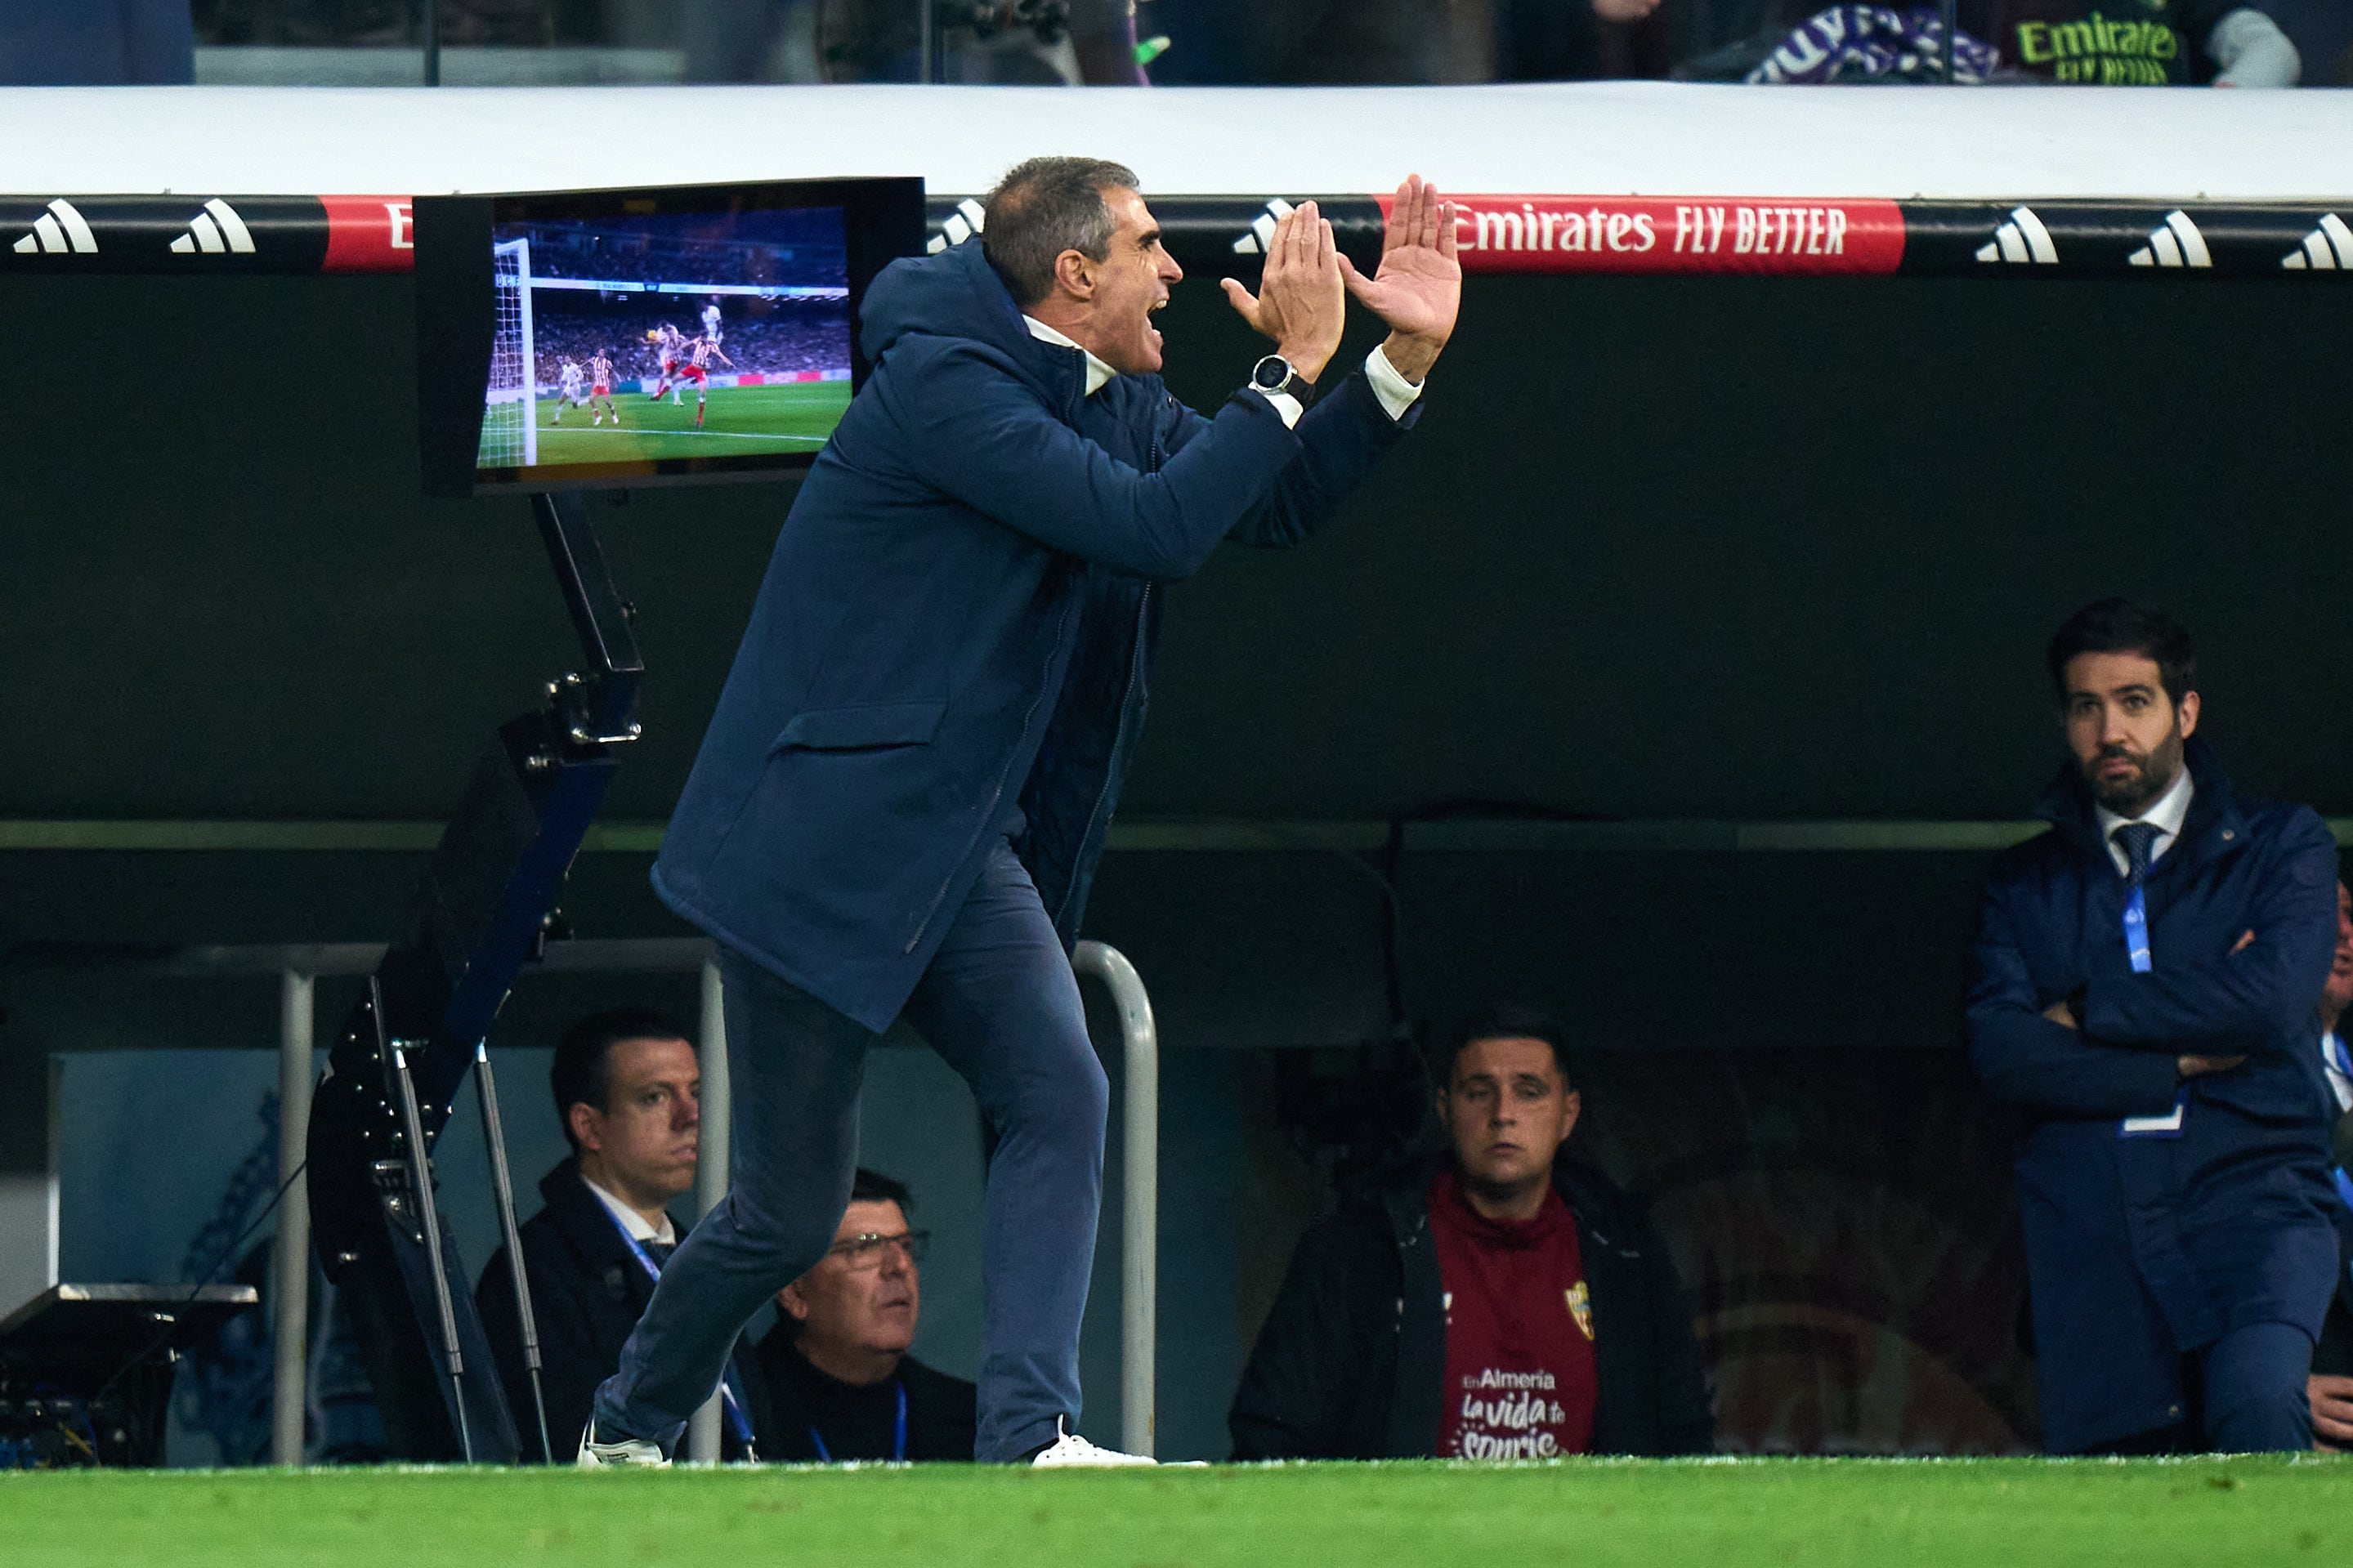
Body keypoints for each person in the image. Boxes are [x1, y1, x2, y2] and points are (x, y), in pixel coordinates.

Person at [584, 157, 1460, 1468]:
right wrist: (1287, 370)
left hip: (954, 841)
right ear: (1074, 273)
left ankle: (1027, 1436)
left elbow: (1256, 501)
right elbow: (1156, 528)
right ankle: (626, 1428)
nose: (1174, 270)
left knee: (1059, 1084)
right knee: (786, 1207)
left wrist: (1395, 359)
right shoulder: (946, 382)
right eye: (1150, 247)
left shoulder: (1117, 393)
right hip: (816, 846)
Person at [1966, 598, 2341, 1454]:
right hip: (2091, 1221)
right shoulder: (2021, 883)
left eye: (2134, 700)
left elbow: (2270, 1000)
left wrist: (2089, 1010)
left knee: (2258, 1409)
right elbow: (1999, 1052)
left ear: (2185, 710)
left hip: (2251, 1198)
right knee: (2119, 1486)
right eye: (2085, 705)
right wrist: (2168, 1058)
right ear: (2062, 718)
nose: (2110, 729)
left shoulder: (2280, 843)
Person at [1229, 1006, 1713, 1459]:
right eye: (1479, 1092)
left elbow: (1684, 1442)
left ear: (1568, 1114)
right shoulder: (1358, 1252)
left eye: (1529, 1090)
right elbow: (1270, 1440)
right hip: (1404, 1547)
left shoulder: (1626, 1255)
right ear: (1445, 1110)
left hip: (1584, 1547)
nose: (1502, 1114)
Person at [476, 1008, 767, 1463]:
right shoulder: (529, 1273)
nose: (691, 1115)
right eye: (655, 1097)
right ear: (589, 1126)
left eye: (696, 1092)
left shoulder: (704, 1254)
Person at [754, 1168, 979, 1462]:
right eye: (866, 1247)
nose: (898, 1266)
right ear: (795, 1292)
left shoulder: (973, 1419)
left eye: (906, 1246)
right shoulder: (734, 1419)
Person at [2307, 878, 2353, 1450]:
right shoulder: (2224, 1078)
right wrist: (2271, 1382)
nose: (2345, 932)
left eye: (2351, 914)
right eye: (2324, 912)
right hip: (2307, 1402)